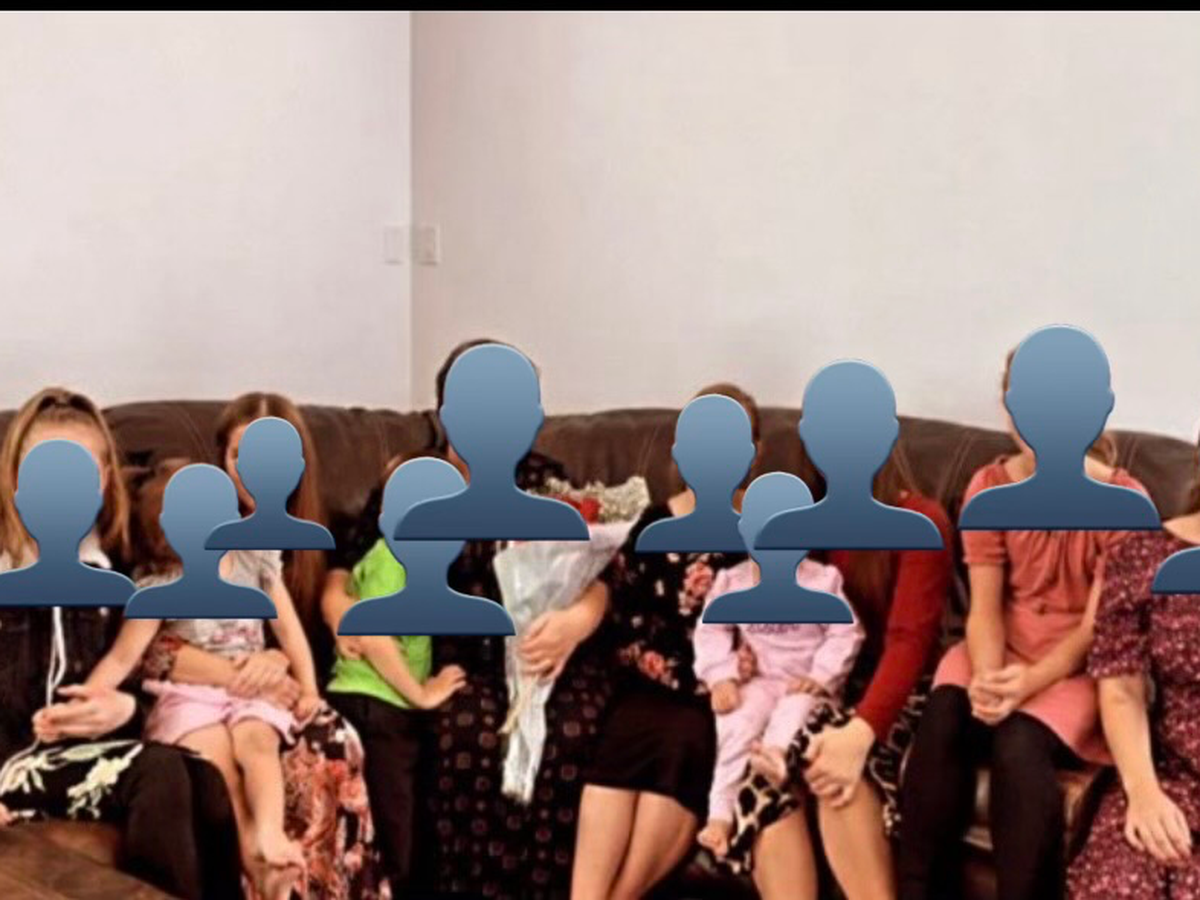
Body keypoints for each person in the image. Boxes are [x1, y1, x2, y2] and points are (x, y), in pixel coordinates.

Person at [324, 338, 611, 900]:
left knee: (572, 729)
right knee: (465, 730)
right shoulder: (415, 478)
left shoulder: (544, 480)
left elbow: (599, 576)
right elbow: (347, 564)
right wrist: (339, 610)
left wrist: (576, 624)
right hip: (455, 657)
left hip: (541, 651)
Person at [897, 350, 1148, 900]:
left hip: (1080, 665)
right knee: (943, 717)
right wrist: (989, 678)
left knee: (1018, 742)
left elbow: (1097, 629)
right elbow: (984, 607)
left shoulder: (1125, 503)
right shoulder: (989, 487)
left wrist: (1030, 684)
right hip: (1000, 645)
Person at [0, 387, 243, 900]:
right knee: (158, 772)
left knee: (205, 781)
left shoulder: (114, 574)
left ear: (104, 480)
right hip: (14, 761)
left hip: (86, 755)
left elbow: (135, 673)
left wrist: (123, 708)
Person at [141, 393, 384, 900]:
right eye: (239, 456)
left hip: (285, 693)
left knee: (335, 745)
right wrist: (243, 672)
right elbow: (157, 647)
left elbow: (300, 635)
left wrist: (283, 664)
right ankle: (263, 872)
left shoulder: (318, 539)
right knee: (253, 760)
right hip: (213, 693)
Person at [723, 439, 953, 900]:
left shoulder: (921, 520)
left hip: (900, 692)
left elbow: (909, 643)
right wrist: (745, 653)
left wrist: (860, 731)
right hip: (825, 682)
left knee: (824, 754)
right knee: (763, 766)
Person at [86, 461, 322, 900]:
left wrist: (309, 688)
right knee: (219, 773)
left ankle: (269, 836)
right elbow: (123, 657)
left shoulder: (254, 563)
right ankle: (256, 864)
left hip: (253, 689)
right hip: (188, 696)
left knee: (257, 743)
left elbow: (289, 631)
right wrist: (89, 695)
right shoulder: (157, 588)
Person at [571, 383, 761, 900]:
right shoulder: (654, 524)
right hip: (652, 685)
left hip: (719, 697)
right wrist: (683, 677)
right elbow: (624, 624)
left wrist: (727, 673)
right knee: (625, 738)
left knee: (685, 740)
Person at [693, 470, 862, 859]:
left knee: (793, 712)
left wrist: (821, 676)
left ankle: (776, 757)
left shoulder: (822, 582)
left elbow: (846, 634)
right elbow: (710, 633)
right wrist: (722, 677)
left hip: (806, 685)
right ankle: (719, 815)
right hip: (761, 680)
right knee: (736, 722)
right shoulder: (731, 583)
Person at [1067, 428, 1200, 899]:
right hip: (1171, 777)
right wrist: (1143, 793)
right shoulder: (1147, 553)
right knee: (1117, 881)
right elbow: (1121, 688)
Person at [325, 452, 467, 891]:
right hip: (374, 702)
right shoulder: (390, 560)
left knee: (403, 815)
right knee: (394, 824)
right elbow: (373, 634)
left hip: (385, 703)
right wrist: (420, 693)